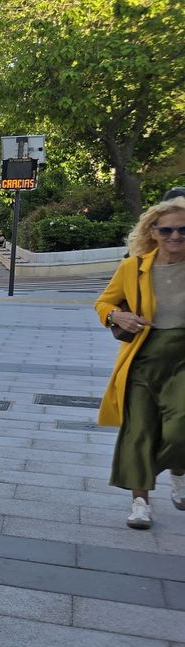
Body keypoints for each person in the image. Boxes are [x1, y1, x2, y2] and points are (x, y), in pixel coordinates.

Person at [97, 196, 185, 529]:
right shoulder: (133, 268)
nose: (175, 237)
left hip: (183, 359)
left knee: (180, 428)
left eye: (183, 230)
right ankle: (140, 502)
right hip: (142, 359)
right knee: (138, 432)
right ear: (153, 231)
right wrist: (116, 315)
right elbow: (104, 302)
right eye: (167, 230)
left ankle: (178, 469)